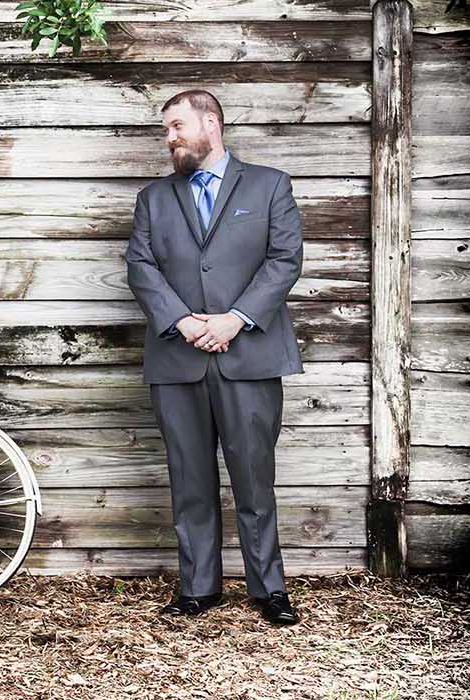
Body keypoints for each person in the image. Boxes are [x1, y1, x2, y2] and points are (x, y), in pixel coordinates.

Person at [124, 90, 303, 626]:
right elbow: (141, 266)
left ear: (211, 122)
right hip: (177, 360)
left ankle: (268, 588)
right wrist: (181, 321)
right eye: (167, 130)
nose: (170, 138)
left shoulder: (270, 185)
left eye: (177, 126)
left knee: (254, 479)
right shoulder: (153, 198)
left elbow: (284, 259)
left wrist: (234, 319)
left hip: (249, 355)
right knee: (190, 479)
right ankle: (199, 588)